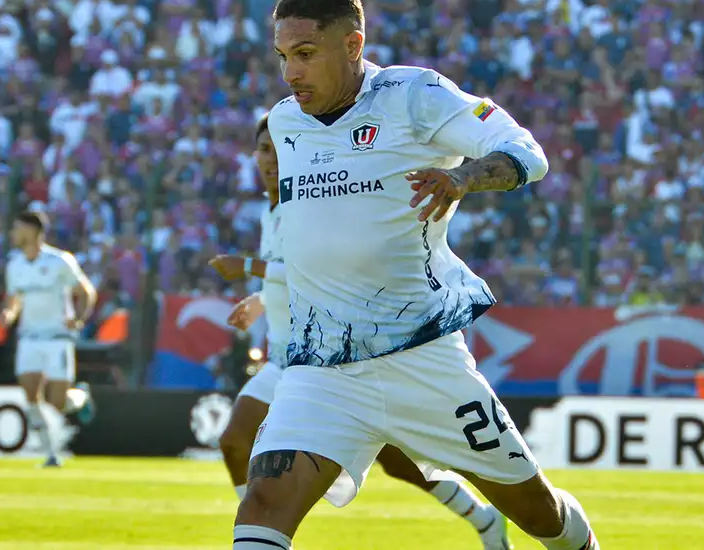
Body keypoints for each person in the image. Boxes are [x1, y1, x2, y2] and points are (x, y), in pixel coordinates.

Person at [232, 0, 599, 550]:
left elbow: (528, 152)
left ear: (353, 45)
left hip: (421, 359)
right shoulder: (285, 122)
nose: (290, 74)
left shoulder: (413, 95)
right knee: (262, 504)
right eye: (282, 57)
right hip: (321, 366)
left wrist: (462, 178)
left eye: (305, 55)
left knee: (536, 512)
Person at [210, 116, 512, 549]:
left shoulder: (313, 204)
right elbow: (293, 277)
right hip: (289, 358)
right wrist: (261, 298)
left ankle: (483, 519)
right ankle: (259, 532)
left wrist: (249, 269)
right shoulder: (269, 208)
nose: (270, 159)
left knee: (402, 464)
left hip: (337, 354)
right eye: (263, 149)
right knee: (235, 441)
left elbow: (321, 267)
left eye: (278, 148)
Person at [0, 210, 98, 467]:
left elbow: (86, 292)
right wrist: (9, 314)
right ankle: (51, 453)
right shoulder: (15, 265)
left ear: (31, 232)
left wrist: (78, 319)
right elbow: (14, 299)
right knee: (31, 398)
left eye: (17, 228)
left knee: (56, 404)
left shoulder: (59, 261)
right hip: (29, 338)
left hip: (57, 338)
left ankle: (80, 398)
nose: (13, 234)